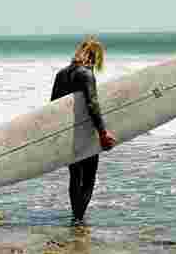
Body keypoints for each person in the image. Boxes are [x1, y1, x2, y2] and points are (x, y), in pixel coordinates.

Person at [50, 36, 116, 225]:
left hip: (68, 133)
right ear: (94, 57)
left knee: (74, 177)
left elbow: (53, 107)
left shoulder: (61, 75)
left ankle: (75, 217)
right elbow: (92, 104)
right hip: (86, 133)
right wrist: (103, 132)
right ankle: (79, 219)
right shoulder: (86, 74)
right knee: (88, 178)